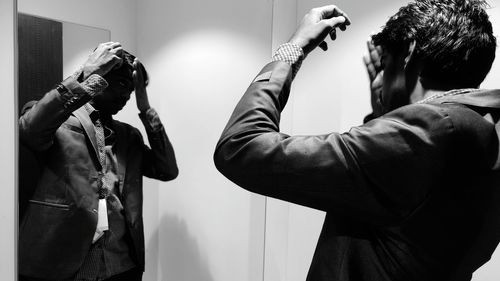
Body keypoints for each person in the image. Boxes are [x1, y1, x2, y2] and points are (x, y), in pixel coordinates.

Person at [214, 1, 500, 280]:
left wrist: (292, 49)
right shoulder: (483, 128)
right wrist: (385, 112)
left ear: (410, 51)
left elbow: (241, 146)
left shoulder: (430, 131)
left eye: (386, 63)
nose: (379, 78)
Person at [19, 42, 178, 281]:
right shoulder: (58, 122)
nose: (126, 95)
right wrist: (85, 74)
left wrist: (146, 110)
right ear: (101, 75)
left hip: (121, 265)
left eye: (131, 90)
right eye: (122, 84)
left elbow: (167, 170)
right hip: (62, 265)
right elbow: (30, 129)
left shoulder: (128, 136)